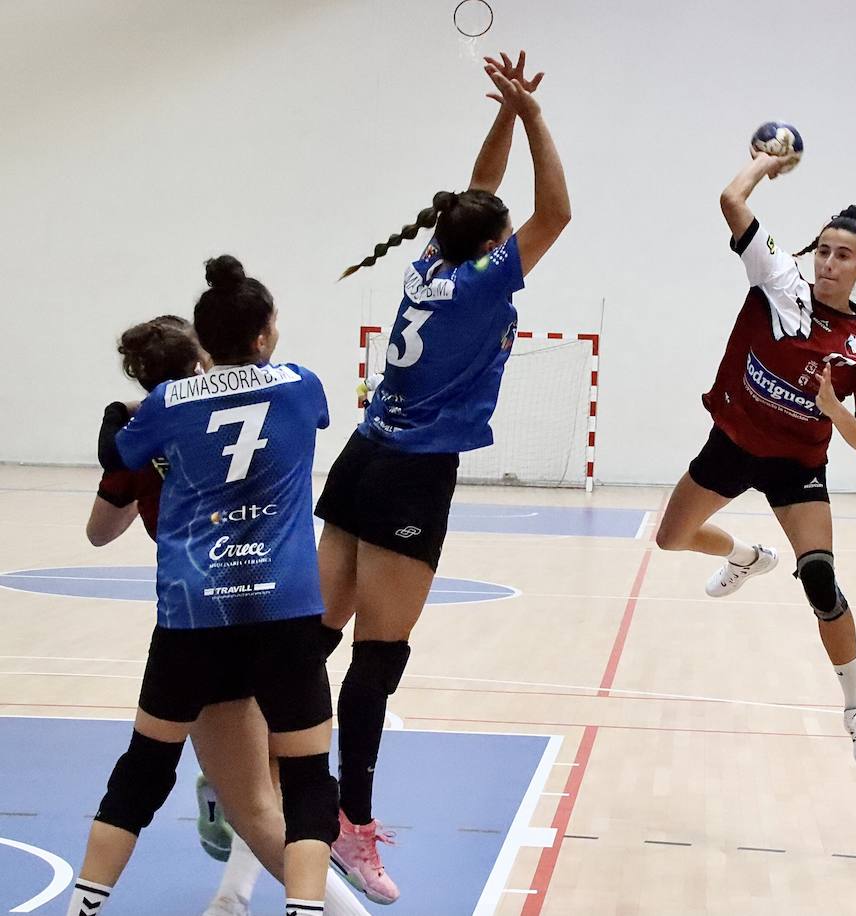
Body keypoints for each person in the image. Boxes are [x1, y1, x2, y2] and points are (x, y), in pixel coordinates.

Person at [313, 50, 570, 903]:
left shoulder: (431, 265)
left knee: (312, 637)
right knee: (377, 662)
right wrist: (532, 115)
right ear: (495, 248)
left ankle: (243, 759)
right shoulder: (482, 287)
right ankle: (349, 830)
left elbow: (479, 196)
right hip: (413, 479)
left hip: (362, 457)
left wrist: (503, 113)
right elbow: (555, 210)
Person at [73, 257, 337, 916]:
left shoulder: (165, 404)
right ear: (264, 333)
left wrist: (120, 418)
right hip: (283, 612)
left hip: (194, 615)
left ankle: (82, 908)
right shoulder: (301, 385)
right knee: (306, 781)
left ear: (201, 337)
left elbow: (122, 458)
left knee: (143, 772)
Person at [654, 149, 856, 770]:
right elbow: (732, 201)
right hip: (734, 440)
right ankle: (746, 556)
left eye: (843, 255)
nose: (828, 261)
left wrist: (832, 409)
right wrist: (763, 162)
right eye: (822, 249)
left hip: (798, 463)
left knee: (820, 577)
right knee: (671, 539)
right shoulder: (779, 282)